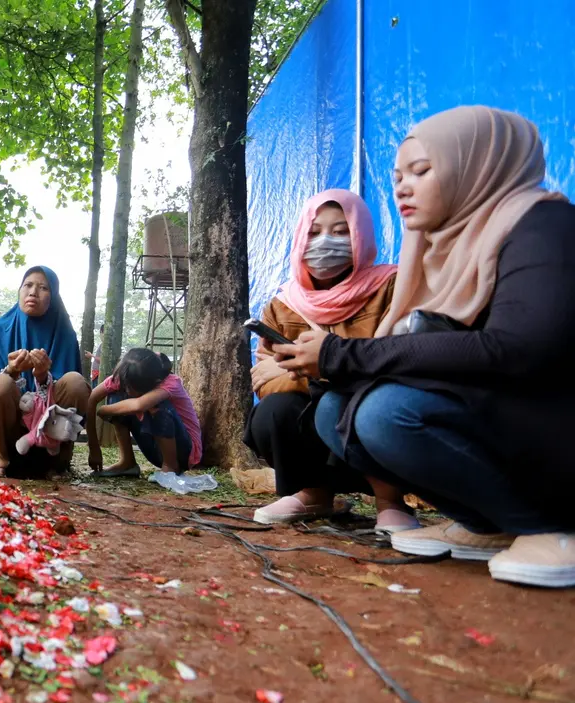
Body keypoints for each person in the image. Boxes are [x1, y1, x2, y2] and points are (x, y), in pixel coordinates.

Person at [275, 106, 575, 588]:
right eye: (397, 175)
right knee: (336, 412)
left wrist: (342, 355)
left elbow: (518, 350)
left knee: (385, 414)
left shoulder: (543, 226)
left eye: (422, 170)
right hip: (497, 413)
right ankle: (491, 522)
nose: (402, 187)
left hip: (551, 423)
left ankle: (552, 526)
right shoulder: (436, 247)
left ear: (477, 164)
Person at [245, 189, 417, 532]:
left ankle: (390, 503)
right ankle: (313, 494)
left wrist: (317, 365)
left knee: (340, 402)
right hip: (316, 429)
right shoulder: (283, 305)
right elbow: (263, 380)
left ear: (361, 235)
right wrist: (320, 374)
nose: (326, 242)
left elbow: (402, 358)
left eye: (341, 232)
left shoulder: (393, 286)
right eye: (314, 231)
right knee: (273, 412)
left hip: (377, 427)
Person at [0, 266, 91, 477]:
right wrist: (10, 371)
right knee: (0, 384)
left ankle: (58, 462)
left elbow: (74, 395)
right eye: (27, 285)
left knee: (75, 382)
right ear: (19, 290)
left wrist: (42, 377)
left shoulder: (64, 335)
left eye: (43, 287)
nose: (33, 292)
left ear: (53, 296)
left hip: (50, 435)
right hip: (10, 433)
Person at [85, 348, 202, 477]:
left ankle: (171, 467)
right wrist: (94, 447)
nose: (128, 391)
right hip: (154, 449)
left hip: (183, 451)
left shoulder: (170, 382)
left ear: (152, 383)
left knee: (158, 405)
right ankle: (127, 462)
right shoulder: (127, 375)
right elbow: (91, 399)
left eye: (131, 388)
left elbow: (139, 405)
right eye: (126, 386)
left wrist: (104, 410)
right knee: (116, 396)